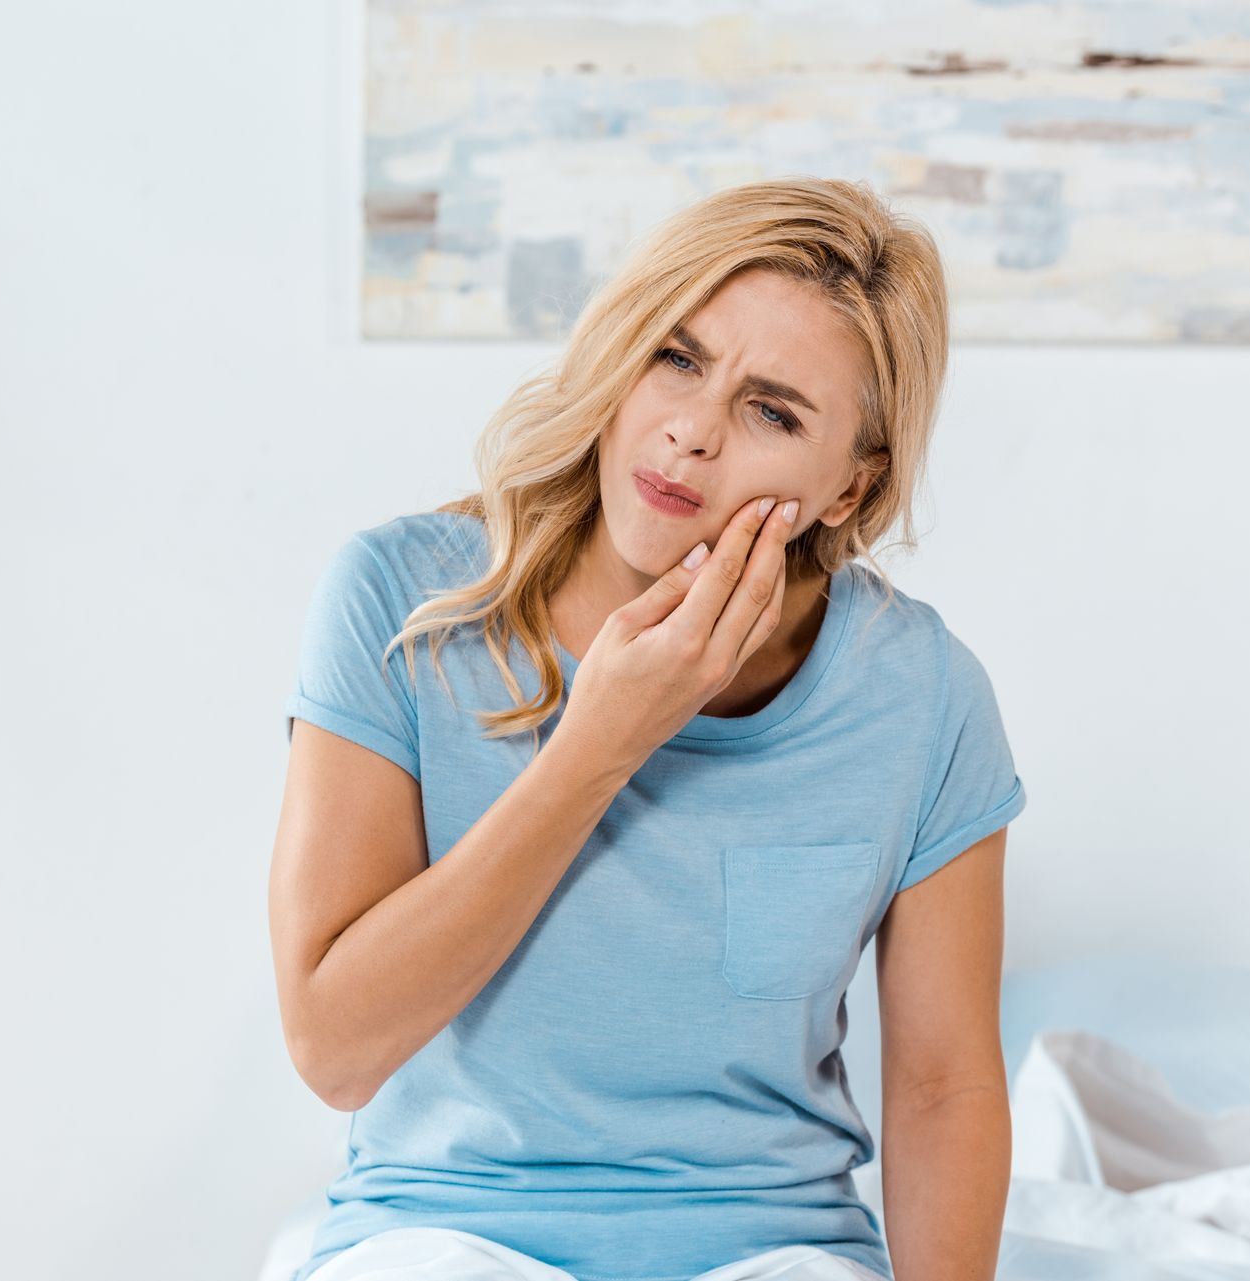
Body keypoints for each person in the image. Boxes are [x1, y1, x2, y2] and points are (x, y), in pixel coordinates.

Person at [269, 176, 1025, 1281]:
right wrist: (600, 742)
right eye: (677, 357)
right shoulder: (401, 600)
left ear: (850, 489)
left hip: (774, 1249)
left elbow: (943, 1086)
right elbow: (334, 1051)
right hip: (443, 1231)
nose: (690, 431)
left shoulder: (922, 695)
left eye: (773, 411)